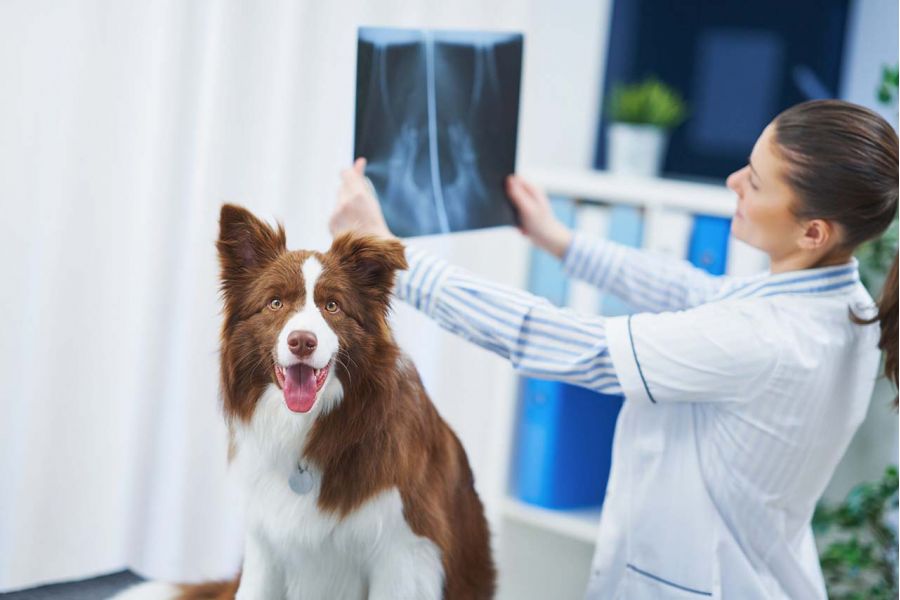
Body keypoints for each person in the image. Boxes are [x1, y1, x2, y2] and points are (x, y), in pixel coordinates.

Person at [329, 99, 898, 599]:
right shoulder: (841, 302)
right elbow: (691, 290)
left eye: (755, 179)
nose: (733, 182)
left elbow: (561, 342)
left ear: (814, 233)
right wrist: (562, 242)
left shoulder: (771, 338)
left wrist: (392, 261)